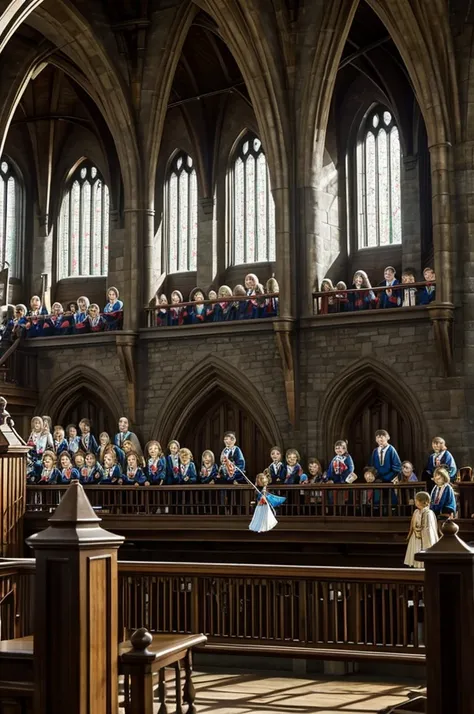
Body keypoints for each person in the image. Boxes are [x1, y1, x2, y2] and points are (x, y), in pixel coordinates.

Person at [404, 491, 439, 568]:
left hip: (425, 537)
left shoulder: (429, 513)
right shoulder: (416, 511)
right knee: (416, 550)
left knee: (423, 549)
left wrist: (426, 538)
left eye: (416, 500)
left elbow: (429, 528)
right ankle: (416, 565)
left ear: (422, 501)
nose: (415, 502)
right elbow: (412, 524)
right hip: (416, 536)